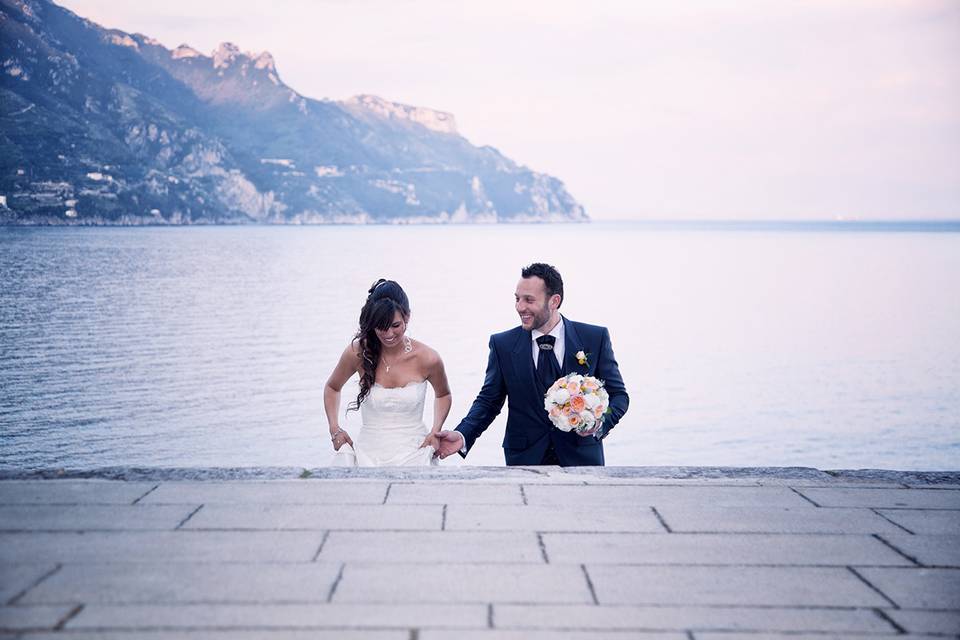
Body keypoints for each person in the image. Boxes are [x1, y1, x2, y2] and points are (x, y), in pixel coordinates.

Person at [434, 263, 628, 466]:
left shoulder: (594, 338)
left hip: (582, 457)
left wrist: (598, 424)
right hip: (524, 459)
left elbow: (619, 396)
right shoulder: (503, 345)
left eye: (529, 300)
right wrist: (463, 434)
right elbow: (489, 401)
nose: (520, 307)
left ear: (554, 301)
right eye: (517, 299)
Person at [324, 279, 451, 466]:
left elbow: (443, 394)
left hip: (415, 454)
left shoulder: (428, 358)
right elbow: (332, 387)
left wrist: (435, 430)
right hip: (368, 453)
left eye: (395, 325)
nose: (388, 334)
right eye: (381, 327)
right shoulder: (358, 352)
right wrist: (334, 429)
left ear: (407, 317)